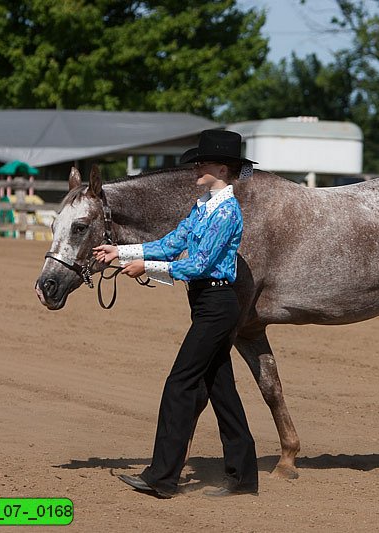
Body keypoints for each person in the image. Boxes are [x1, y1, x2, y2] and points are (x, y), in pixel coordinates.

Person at [92, 130, 258, 498]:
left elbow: (199, 264)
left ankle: (162, 477)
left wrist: (145, 267)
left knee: (180, 383)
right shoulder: (203, 207)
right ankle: (244, 477)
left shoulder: (227, 212)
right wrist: (120, 252)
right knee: (222, 391)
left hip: (217, 305)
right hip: (206, 305)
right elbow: (170, 244)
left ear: (223, 168)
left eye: (203, 162)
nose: (196, 166)